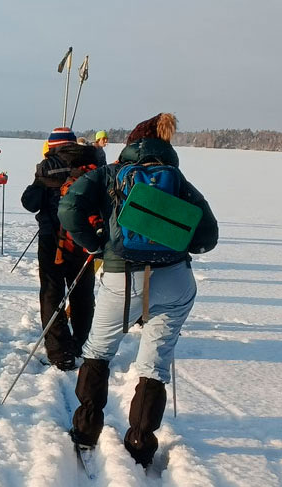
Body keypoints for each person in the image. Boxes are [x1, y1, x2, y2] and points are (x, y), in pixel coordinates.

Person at [59, 112, 218, 468]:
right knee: (155, 363)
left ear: (131, 143)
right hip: (175, 279)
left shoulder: (111, 172)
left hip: (122, 275)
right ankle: (141, 441)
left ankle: (86, 430)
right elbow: (208, 236)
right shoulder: (177, 179)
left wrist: (96, 244)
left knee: (99, 349)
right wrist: (175, 242)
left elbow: (68, 206)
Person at [20, 126, 99, 371]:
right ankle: (82, 344)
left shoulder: (48, 166)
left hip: (52, 238)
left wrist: (41, 184)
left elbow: (29, 203)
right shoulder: (94, 163)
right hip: (85, 239)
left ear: (53, 145)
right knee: (82, 293)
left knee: (52, 292)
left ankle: (59, 352)